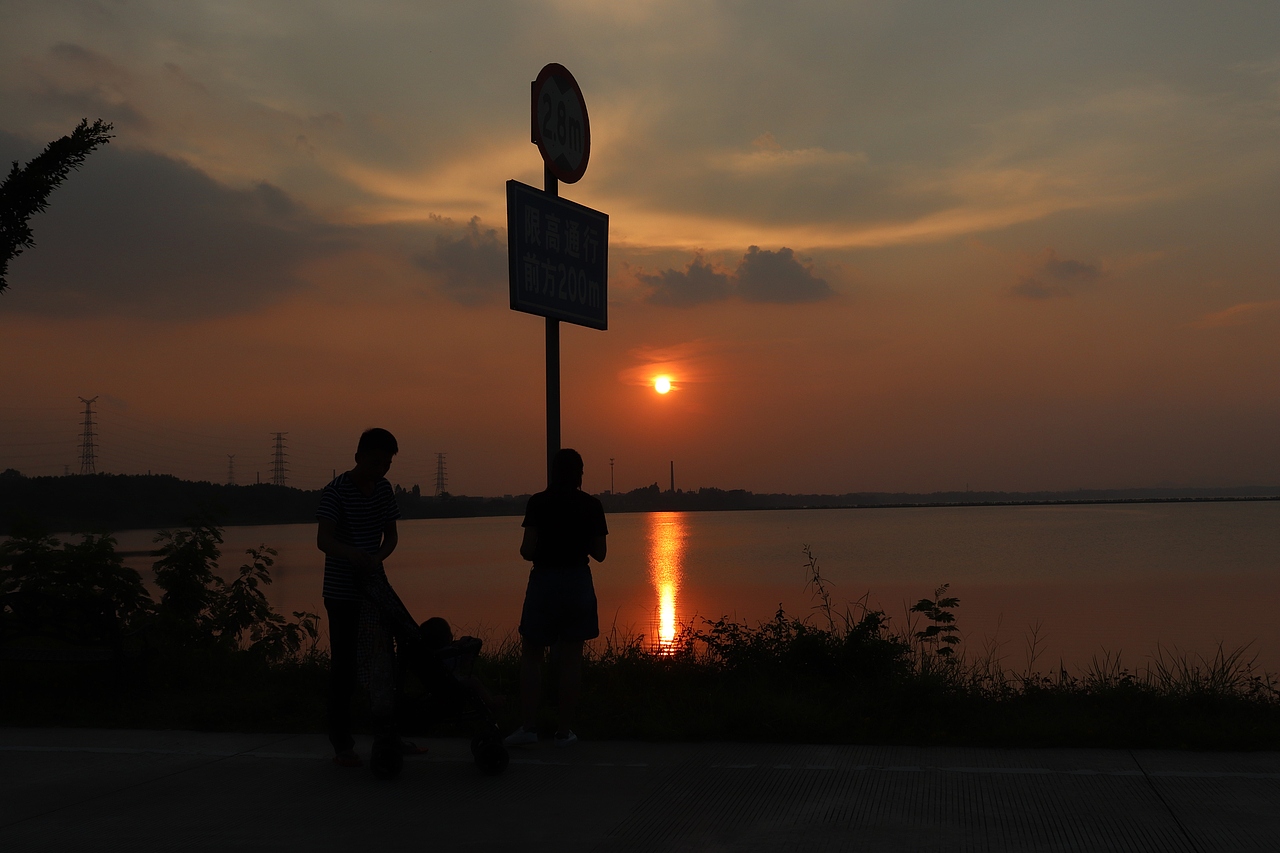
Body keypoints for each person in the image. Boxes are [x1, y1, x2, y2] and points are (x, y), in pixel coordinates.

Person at [504, 448, 608, 748]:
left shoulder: (538, 502)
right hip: (577, 581)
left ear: (553, 472)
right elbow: (600, 554)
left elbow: (526, 551)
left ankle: (529, 727)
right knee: (572, 660)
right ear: (580, 474)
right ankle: (564, 732)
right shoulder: (592, 505)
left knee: (532, 655)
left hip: (544, 581)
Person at [316, 427, 405, 767]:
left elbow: (392, 535)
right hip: (342, 593)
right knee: (344, 668)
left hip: (376, 589)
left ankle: (389, 735)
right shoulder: (335, 492)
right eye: (374, 462)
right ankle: (342, 744)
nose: (380, 470)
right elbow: (324, 541)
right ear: (358, 458)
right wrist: (351, 554)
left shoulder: (383, 490)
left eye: (386, 464)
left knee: (384, 664)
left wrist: (377, 558)